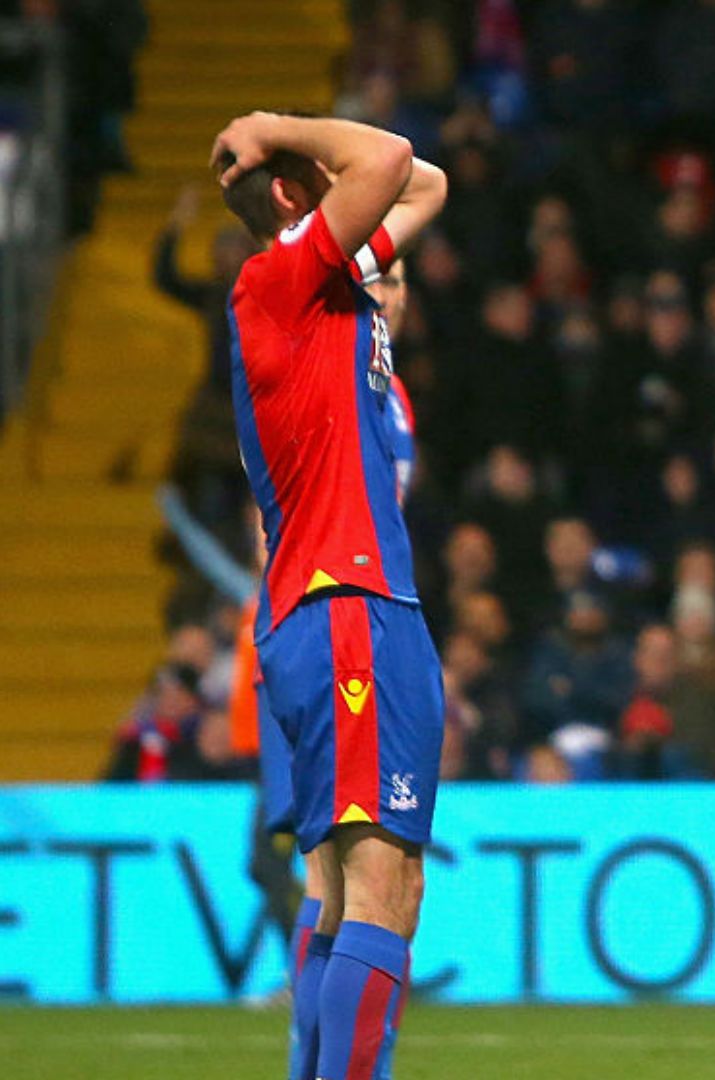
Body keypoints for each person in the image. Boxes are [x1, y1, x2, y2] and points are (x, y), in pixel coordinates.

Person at [213, 112, 445, 1080]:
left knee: (345, 893)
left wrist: (291, 147)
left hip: (339, 605)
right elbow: (390, 158)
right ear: (289, 195)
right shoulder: (280, 278)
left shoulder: (322, 287)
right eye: (316, 170)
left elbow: (425, 184)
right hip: (346, 602)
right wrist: (275, 125)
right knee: (381, 888)